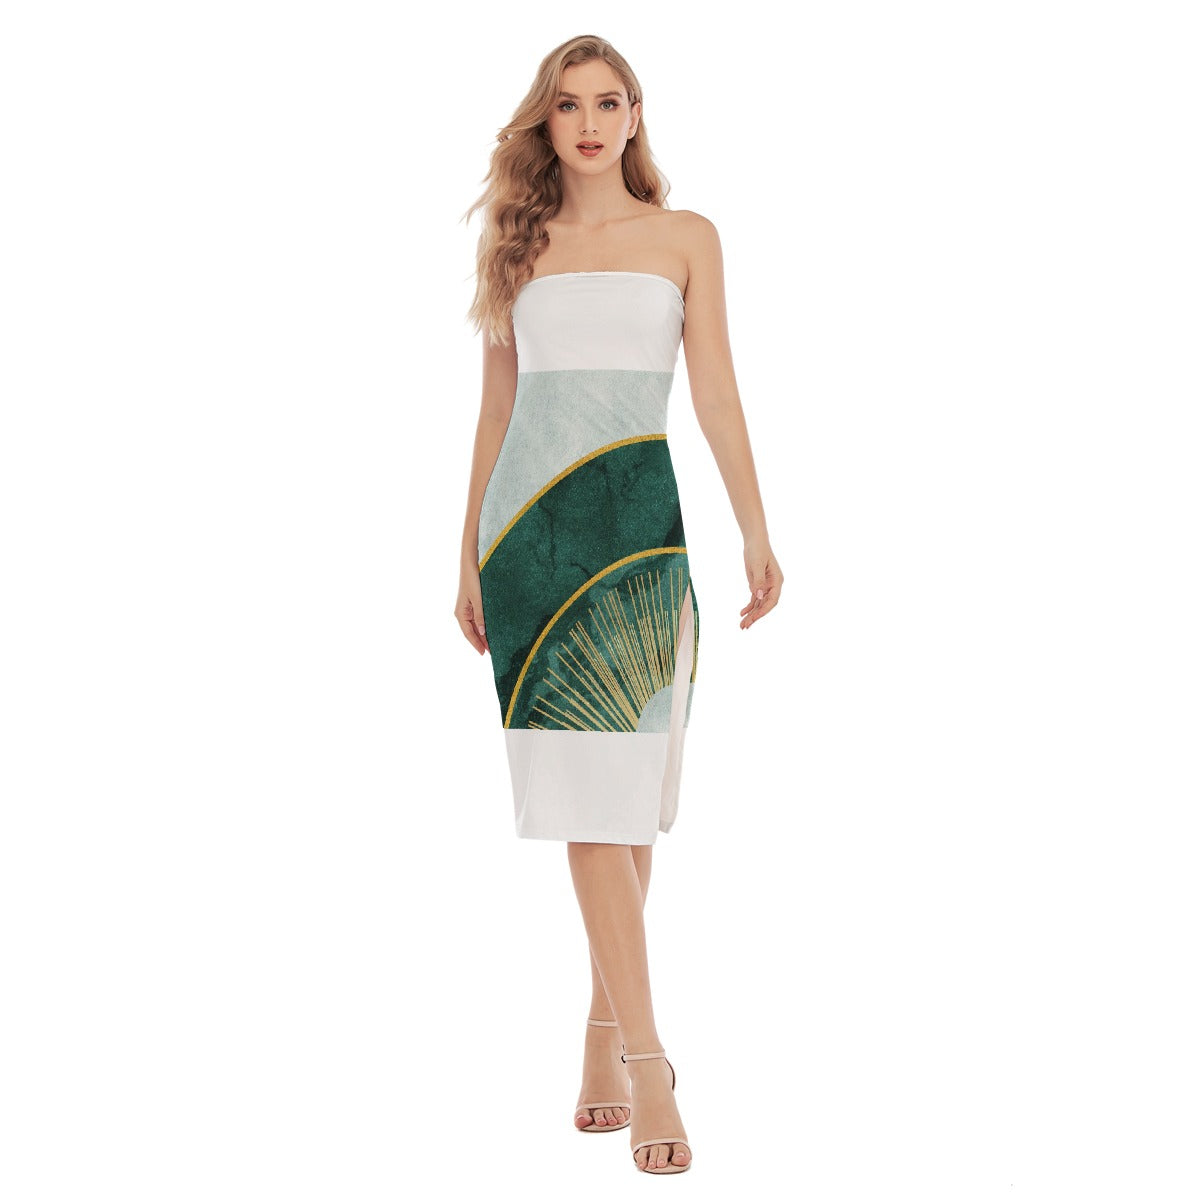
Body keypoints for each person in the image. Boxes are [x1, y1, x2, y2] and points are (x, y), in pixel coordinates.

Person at [454, 34, 782, 1175]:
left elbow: (718, 391)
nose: (588, 124)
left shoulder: (687, 238)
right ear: (543, 123)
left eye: (607, 102)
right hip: (534, 541)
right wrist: (467, 555)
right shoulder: (520, 242)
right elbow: (495, 411)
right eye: (567, 106)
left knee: (626, 802)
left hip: (642, 532)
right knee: (589, 805)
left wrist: (754, 529)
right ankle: (650, 1063)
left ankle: (601, 1036)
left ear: (635, 114)